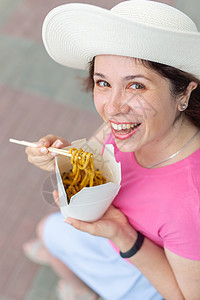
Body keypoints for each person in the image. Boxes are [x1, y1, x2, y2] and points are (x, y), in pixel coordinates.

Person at [24, 1, 200, 299]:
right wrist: (63, 157)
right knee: (49, 231)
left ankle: (80, 287)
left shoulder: (191, 203)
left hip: (146, 267)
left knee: (51, 235)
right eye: (103, 82)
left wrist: (122, 234)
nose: (113, 108)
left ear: (183, 92)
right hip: (109, 233)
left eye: (137, 86)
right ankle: (76, 279)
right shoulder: (132, 127)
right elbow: (96, 157)